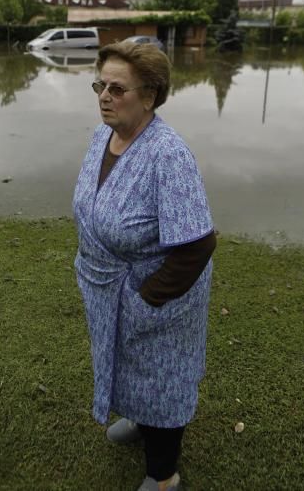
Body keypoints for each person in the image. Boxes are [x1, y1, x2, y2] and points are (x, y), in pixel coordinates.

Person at [73, 41, 216, 491]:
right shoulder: (105, 135)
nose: (104, 96)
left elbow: (196, 245)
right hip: (111, 285)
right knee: (129, 365)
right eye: (100, 85)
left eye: (118, 88)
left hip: (159, 293)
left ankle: (162, 476)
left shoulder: (167, 156)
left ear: (150, 95)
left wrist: (146, 299)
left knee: (161, 381)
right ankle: (138, 418)